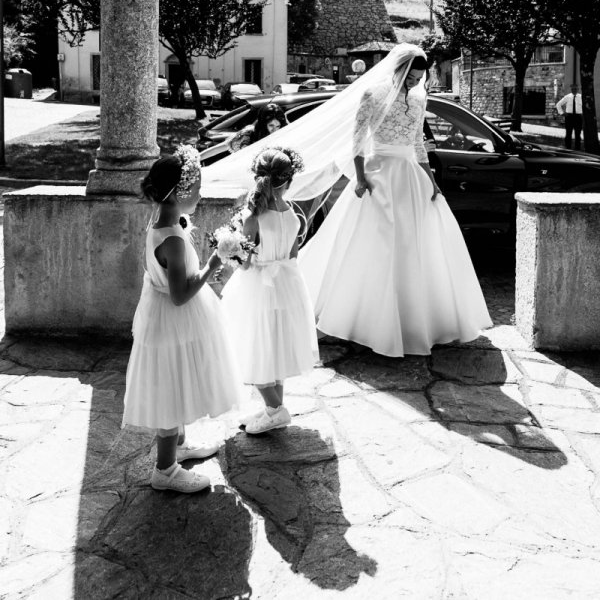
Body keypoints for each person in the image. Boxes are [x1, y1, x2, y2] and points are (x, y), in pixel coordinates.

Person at [202, 44, 492, 357]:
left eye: (419, 79)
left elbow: (418, 144)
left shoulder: (420, 98)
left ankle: (415, 321)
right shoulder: (374, 94)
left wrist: (432, 181)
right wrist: (361, 177)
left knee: (418, 246)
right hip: (378, 174)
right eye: (411, 78)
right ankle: (365, 319)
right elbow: (357, 139)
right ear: (399, 71)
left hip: (411, 178)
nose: (414, 84)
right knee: (373, 246)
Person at [122, 145, 241, 493]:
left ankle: (179, 445)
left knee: (178, 380)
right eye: (199, 189)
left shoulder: (163, 219)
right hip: (173, 317)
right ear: (181, 191)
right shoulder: (171, 239)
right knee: (171, 388)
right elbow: (179, 296)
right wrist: (212, 267)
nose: (201, 195)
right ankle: (165, 470)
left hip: (166, 316)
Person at [221, 148, 319, 434]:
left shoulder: (253, 217)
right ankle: (272, 408)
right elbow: (292, 256)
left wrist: (229, 252)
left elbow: (247, 263)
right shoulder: (293, 214)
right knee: (273, 348)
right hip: (287, 286)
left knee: (253, 348)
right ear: (288, 182)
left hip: (257, 288)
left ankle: (276, 410)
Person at [556, 84, 583, 150]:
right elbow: (558, 104)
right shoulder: (567, 97)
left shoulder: (581, 97)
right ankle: (568, 148)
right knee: (568, 133)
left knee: (578, 133)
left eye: (575, 89)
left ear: (578, 89)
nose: (574, 90)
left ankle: (577, 148)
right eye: (573, 89)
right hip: (569, 117)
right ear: (571, 89)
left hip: (578, 117)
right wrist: (562, 113)